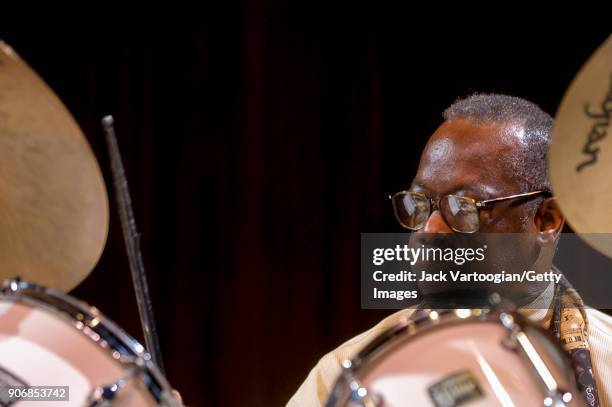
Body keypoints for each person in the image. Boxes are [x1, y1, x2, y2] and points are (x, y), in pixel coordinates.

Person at [287, 94, 612, 407]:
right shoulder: (346, 380)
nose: (429, 229)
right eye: (419, 203)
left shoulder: (607, 356)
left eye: (463, 207)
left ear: (546, 220)